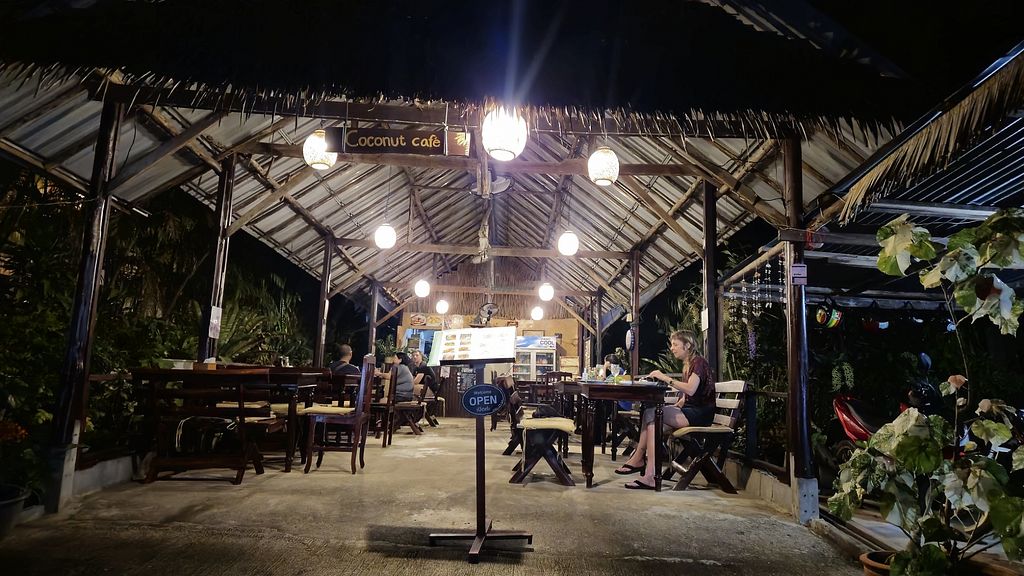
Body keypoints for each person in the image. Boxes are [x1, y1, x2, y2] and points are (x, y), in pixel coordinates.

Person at [614, 330, 715, 490]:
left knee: (652, 414)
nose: (672, 348)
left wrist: (664, 378)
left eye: (675, 344)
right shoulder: (689, 364)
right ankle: (649, 472)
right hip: (692, 410)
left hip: (701, 414)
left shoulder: (699, 363)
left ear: (687, 345)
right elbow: (689, 395)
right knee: (652, 419)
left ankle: (642, 464)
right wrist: (678, 405)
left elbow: (690, 389)